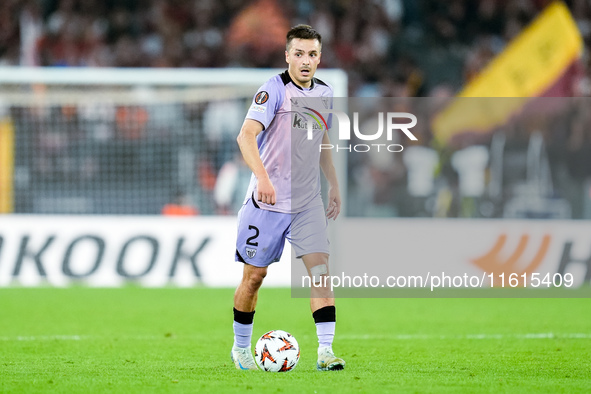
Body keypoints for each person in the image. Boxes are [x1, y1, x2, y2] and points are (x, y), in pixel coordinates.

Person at [230, 24, 345, 371]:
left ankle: (325, 352)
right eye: (299, 54)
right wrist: (262, 178)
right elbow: (245, 136)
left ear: (319, 58)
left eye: (312, 54)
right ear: (287, 56)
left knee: (322, 273)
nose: (305, 61)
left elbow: (322, 140)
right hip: (268, 203)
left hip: (308, 203)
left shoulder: (324, 93)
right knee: (254, 278)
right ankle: (240, 349)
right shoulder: (273, 90)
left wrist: (334, 183)